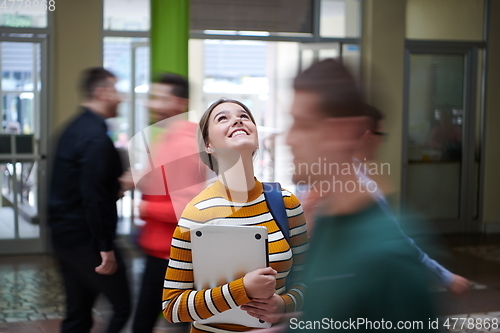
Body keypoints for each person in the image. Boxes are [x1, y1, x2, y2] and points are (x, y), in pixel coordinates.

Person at [285, 59, 437, 332]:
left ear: (341, 132)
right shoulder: (327, 222)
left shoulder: (388, 256)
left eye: (303, 124)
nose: (289, 139)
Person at [162, 99, 309, 333]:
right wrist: (242, 290)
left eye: (244, 116)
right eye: (223, 118)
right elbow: (172, 307)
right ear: (208, 145)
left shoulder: (285, 203)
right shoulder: (196, 213)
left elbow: (309, 279)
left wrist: (283, 304)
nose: (237, 120)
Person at [300, 104, 470, 295]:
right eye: (380, 135)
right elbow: (399, 241)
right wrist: (447, 277)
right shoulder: (362, 188)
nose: (382, 142)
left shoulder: (332, 176)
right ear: (367, 137)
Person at [48, 67, 131, 333]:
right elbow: (93, 198)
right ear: (102, 92)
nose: (121, 98)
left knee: (78, 313)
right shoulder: (95, 138)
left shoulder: (72, 128)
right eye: (116, 91)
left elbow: (80, 186)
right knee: (122, 307)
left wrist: (117, 185)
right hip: (87, 240)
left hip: (64, 237)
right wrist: (104, 247)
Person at [131, 73, 206, 333]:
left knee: (152, 319)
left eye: (160, 98)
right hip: (159, 247)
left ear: (179, 103)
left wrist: (143, 208)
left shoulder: (184, 144)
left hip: (169, 251)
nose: (152, 104)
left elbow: (186, 209)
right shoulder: (167, 137)